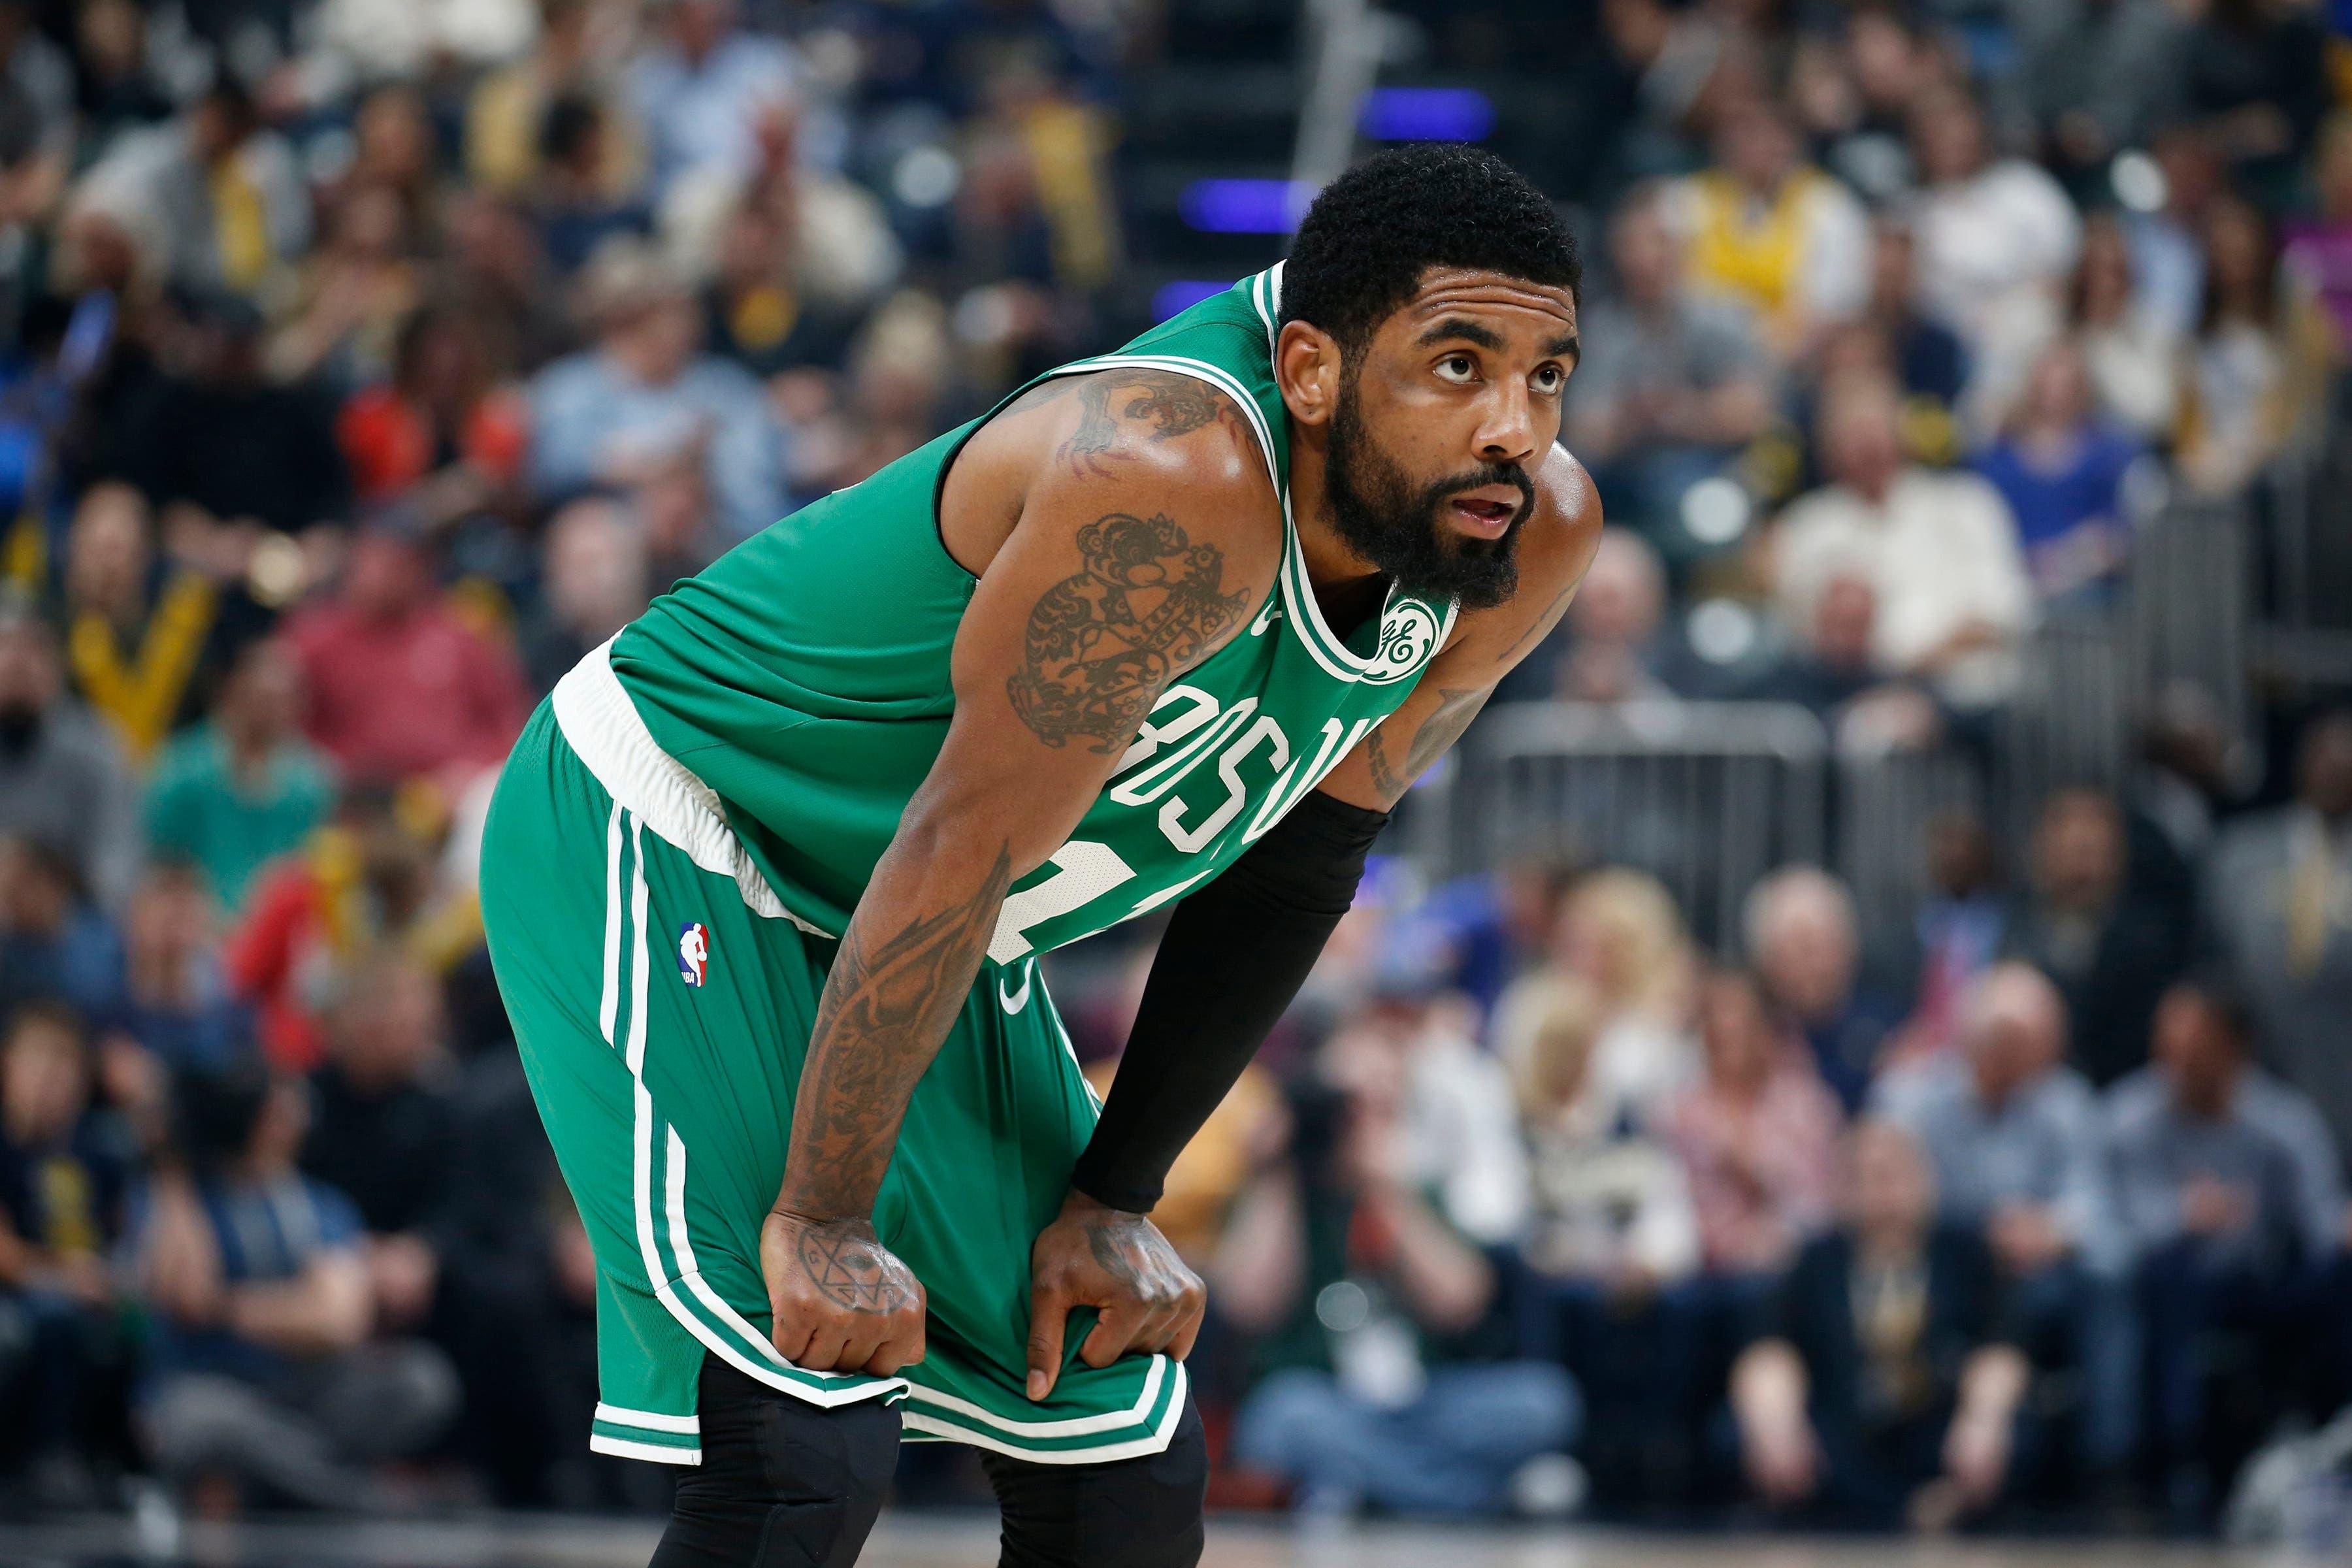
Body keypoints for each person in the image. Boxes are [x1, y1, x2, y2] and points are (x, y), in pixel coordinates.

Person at [476, 144, 1601, 1564]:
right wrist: (821, 1213)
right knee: (803, 1428)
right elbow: (956, 845)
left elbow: (1301, 866)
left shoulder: (1527, 534)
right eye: (1458, 366)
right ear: (1311, 371)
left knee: (1120, 1456)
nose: (1516, 425)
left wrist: (1113, 1199)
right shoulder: (1170, 479)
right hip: (687, 826)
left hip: (934, 917)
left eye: (1549, 372)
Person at [1218, 1004, 1575, 1520]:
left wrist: (1386, 1186)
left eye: (1376, 1105)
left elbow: (1460, 1303)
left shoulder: (1412, 1189)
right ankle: (1474, 1497)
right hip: (1322, 1395)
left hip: (1423, 1401)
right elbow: (1249, 1305)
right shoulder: (1282, 1191)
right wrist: (1279, 1170)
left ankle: (1360, 1488)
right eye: (1347, 1107)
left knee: (1545, 1401)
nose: (1357, 1123)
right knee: (1282, 1417)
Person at [134, 1063, 458, 1511]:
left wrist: (225, 1309)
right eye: (278, 1109)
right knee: (199, 1420)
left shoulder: (319, 1204)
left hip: (306, 1391)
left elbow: (337, 1322)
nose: (295, 1121)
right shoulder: (183, 1200)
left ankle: (281, 1478)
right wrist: (171, 1165)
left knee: (422, 1380)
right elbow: (186, 1295)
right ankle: (353, 1495)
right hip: (212, 1386)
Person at [1874, 964, 2134, 1482]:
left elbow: (2102, 1214)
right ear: (1968, 1037)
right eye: (2001, 1039)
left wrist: (2054, 1232)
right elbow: (1883, 1191)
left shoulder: (2067, 1102)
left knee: (2109, 1283)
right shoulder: (1912, 1097)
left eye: (2030, 1044)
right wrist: (1964, 1232)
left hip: (2038, 1273)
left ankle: (2110, 1462)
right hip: (1942, 1266)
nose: (2011, 1056)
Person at [2105, 977, 2349, 1521]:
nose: (2176, 1062)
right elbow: (2113, 1226)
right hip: (2170, 1288)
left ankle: (2332, 1442)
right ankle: (2178, 1461)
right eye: (2167, 1047)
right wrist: (2182, 1216)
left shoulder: (2283, 1123)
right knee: (2167, 1277)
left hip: (2260, 1284)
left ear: (2235, 1050)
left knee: (2340, 1278)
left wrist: (2341, 1231)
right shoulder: (2129, 1116)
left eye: (2193, 1049)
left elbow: (2320, 1223)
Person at [1730, 1119, 2032, 1530]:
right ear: (1842, 1190)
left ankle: (1909, 1504)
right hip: (1847, 1424)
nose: (1886, 1194)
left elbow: (2002, 1346)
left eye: (1897, 1176)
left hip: (1940, 1422)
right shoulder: (1817, 1261)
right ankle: (1908, 1511)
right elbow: (1769, 1347)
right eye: (1869, 1179)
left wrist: (1983, 1421)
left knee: (2024, 1436)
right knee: (1735, 1436)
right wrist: (1777, 1426)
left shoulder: (1966, 1253)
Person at [1771, 372, 2034, 711]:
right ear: (1827, 445)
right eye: (1851, 432)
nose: (1867, 444)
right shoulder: (1806, 526)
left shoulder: (1966, 504)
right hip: (1846, 700)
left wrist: (1917, 667)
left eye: (1875, 427)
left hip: (1965, 698)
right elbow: (1804, 638)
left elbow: (2003, 612)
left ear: (1902, 431)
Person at [2203, 711, 2352, 1163]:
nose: (2337, 771)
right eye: (2327, 758)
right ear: (2303, 765)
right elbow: (2214, 960)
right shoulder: (2239, 852)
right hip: (2253, 1073)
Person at [2006, 789, 2189, 1089]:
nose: (2081, 859)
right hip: (2034, 1097)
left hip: (2125, 1095)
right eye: (2070, 845)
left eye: (2092, 847)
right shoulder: (2014, 931)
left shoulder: (2151, 941)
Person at [144, 638, 336, 915]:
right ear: (233, 693)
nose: (272, 712)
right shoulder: (180, 771)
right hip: (196, 923)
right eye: (262, 699)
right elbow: (162, 860)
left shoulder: (313, 782)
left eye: (284, 701)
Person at [0, 598, 141, 911]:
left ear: (59, 667)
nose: (17, 663)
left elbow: (119, 870)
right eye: (6, 647)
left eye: (34, 649)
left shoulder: (96, 747)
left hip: (67, 926)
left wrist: (53, 888)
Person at [1743, 866, 1901, 1111]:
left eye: (1822, 947)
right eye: (1796, 950)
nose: (1812, 966)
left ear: (1850, 950)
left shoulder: (1888, 1020)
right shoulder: (1748, 1032)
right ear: (1765, 962)